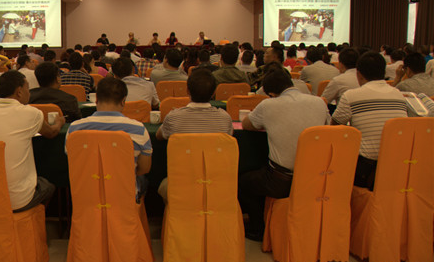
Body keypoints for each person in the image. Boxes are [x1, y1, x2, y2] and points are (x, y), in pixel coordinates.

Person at [240, 68, 330, 241]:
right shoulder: (319, 102)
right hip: (317, 178)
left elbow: (247, 125)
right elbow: (328, 126)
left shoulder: (268, 105)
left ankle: (259, 228)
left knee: (244, 182)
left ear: (271, 94)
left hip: (282, 181)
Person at [0, 70, 64, 211]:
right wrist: (59, 122)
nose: (29, 93)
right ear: (19, 92)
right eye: (27, 89)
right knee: (48, 186)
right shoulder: (31, 113)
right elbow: (51, 133)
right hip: (17, 200)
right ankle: (31, 219)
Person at [66, 77, 152, 202]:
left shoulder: (74, 129)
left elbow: (73, 162)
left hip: (85, 196)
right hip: (123, 197)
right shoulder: (138, 129)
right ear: (123, 101)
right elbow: (144, 168)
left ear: (96, 99)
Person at [332, 51, 407, 190]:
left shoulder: (351, 96)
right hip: (397, 164)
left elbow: (334, 128)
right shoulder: (398, 95)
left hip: (366, 168)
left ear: (359, 74)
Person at [156, 68, 233, 200]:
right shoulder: (224, 118)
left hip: (180, 182)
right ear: (214, 93)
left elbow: (159, 136)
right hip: (216, 180)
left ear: (187, 91)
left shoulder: (174, 117)